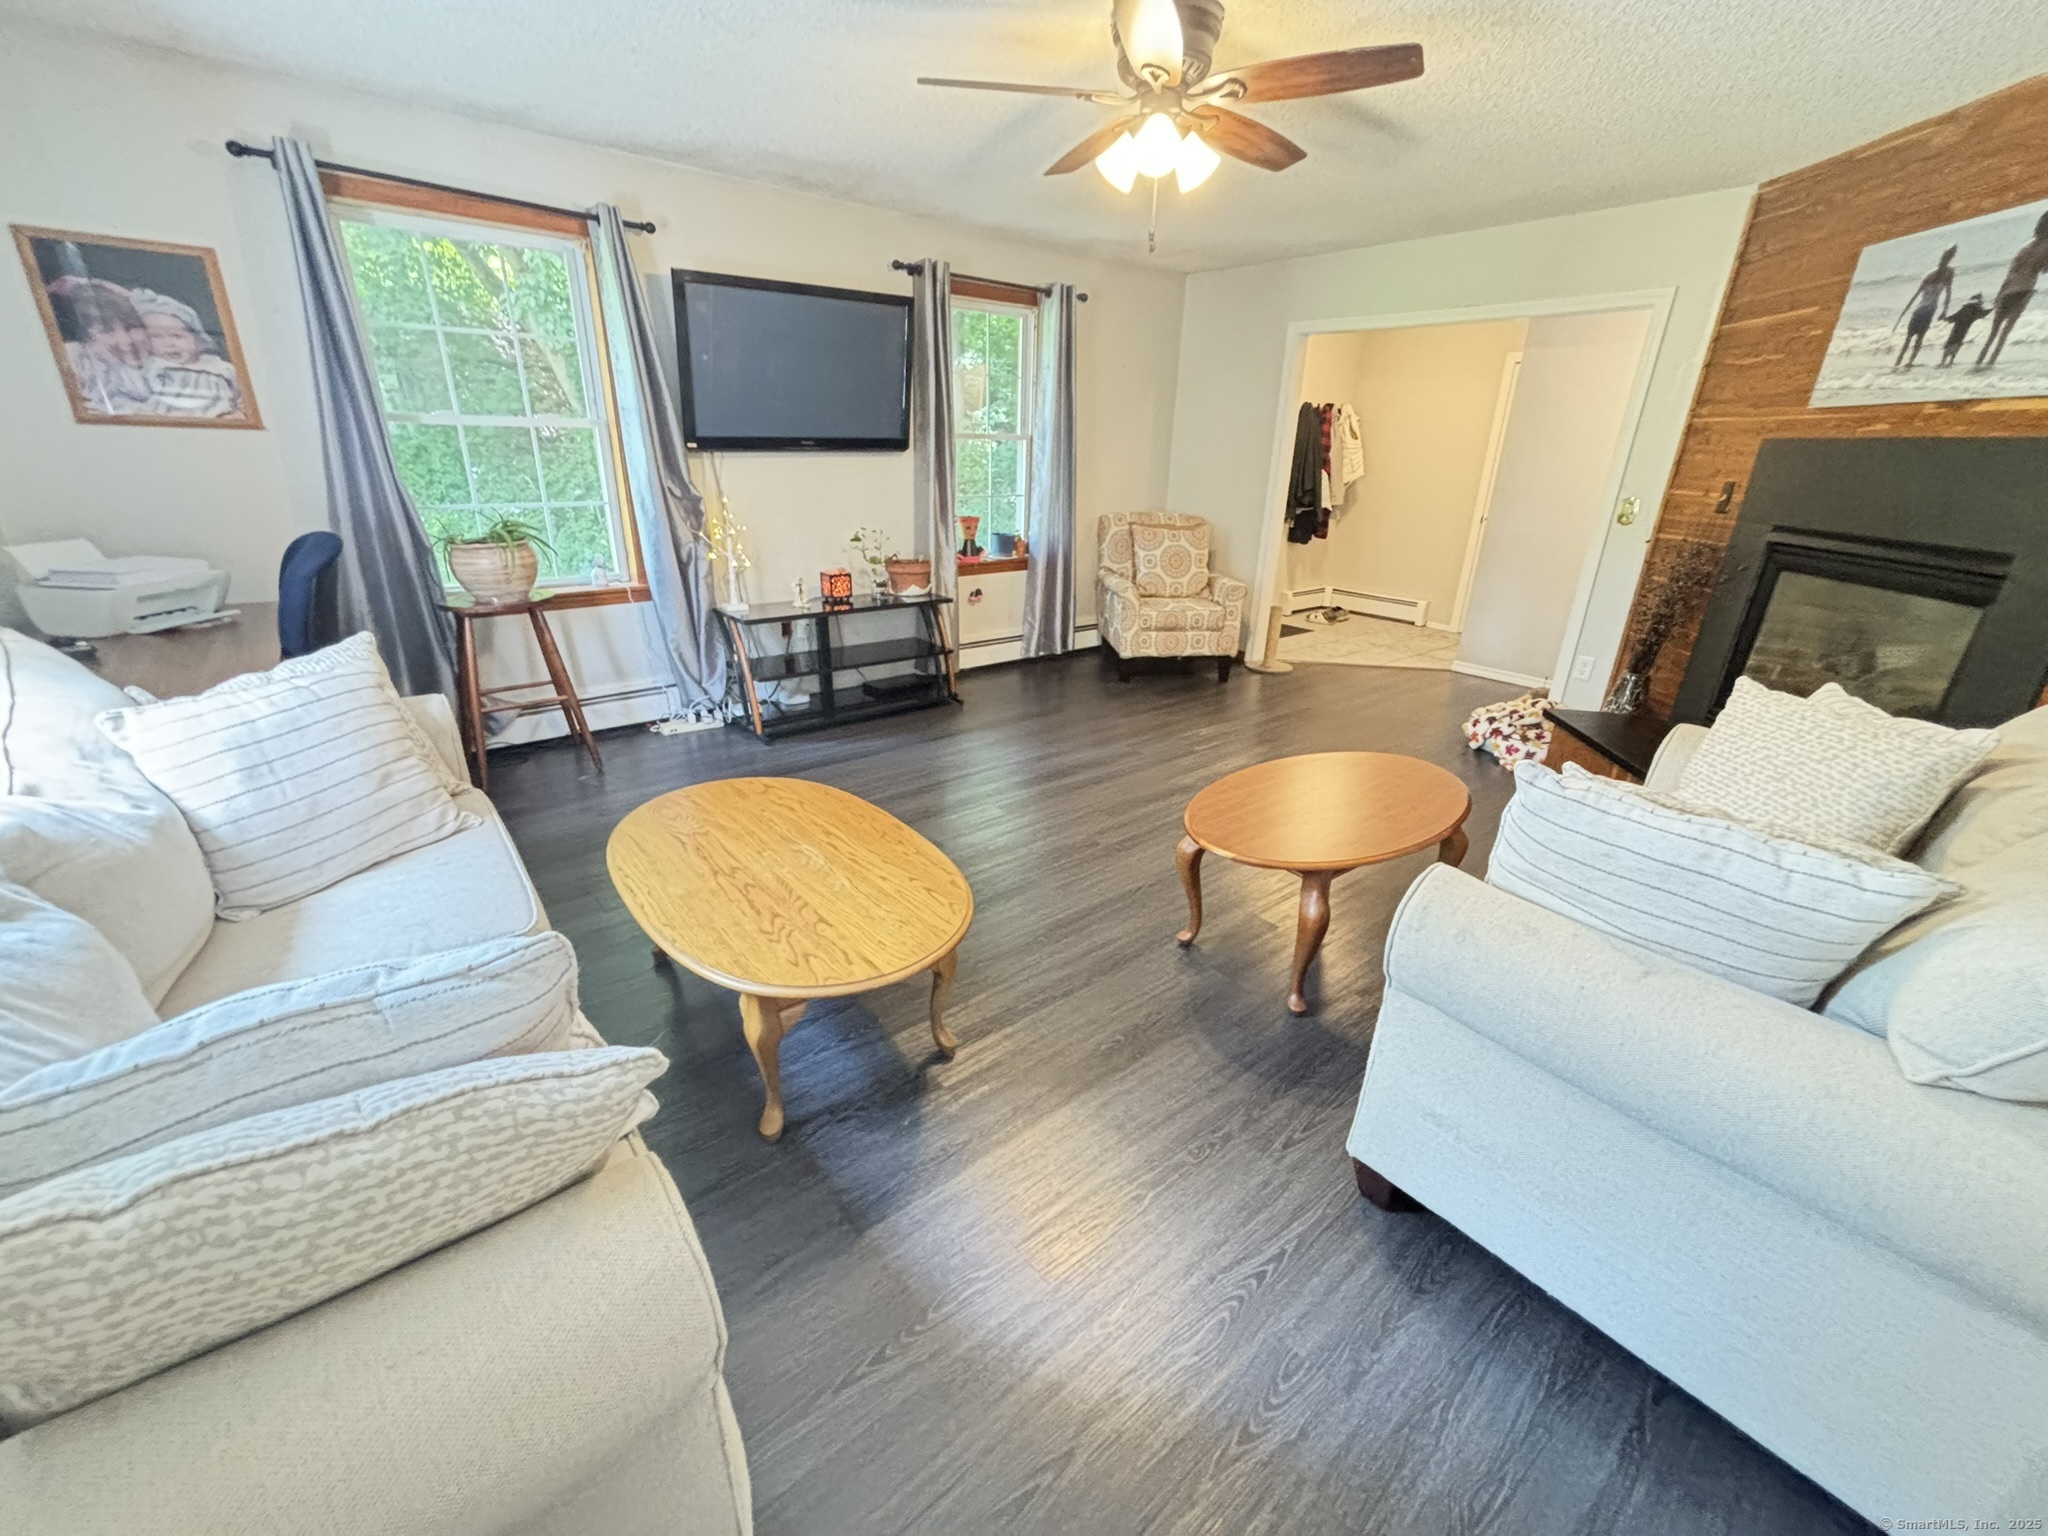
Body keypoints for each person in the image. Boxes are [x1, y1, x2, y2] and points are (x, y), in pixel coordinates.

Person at [45, 276, 154, 414]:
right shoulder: (72, 358)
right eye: (107, 331)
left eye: (131, 327)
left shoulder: (162, 359)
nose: (125, 340)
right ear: (86, 334)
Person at [129, 287, 243, 418]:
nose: (169, 344)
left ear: (196, 339)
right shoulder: (148, 369)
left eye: (177, 336)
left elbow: (244, 399)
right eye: (156, 336)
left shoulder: (220, 369)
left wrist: (239, 415)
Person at [1976, 209, 2048, 368]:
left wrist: (1999, 293)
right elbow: (2043, 270)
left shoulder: (2025, 247)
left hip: (2008, 288)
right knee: (2004, 333)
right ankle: (1990, 364)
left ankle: (1978, 364)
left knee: (1992, 334)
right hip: (2025, 289)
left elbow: (2011, 271)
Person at [1893, 245, 1956, 368]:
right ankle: (1908, 362)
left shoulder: (1932, 275)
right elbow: (1948, 293)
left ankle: (1899, 363)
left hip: (1920, 311)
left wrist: (1904, 312)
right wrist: (1944, 310)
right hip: (1927, 312)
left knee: (1909, 339)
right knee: (1918, 339)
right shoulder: (1947, 274)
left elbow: (1916, 296)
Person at [1938, 293, 1991, 366]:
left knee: (1951, 341)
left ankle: (1943, 361)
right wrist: (1994, 308)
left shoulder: (1965, 308)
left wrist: (1945, 319)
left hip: (1957, 327)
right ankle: (1950, 361)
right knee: (1957, 342)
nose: (1982, 303)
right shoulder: (1977, 309)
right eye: (1981, 301)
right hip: (1964, 328)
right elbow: (1982, 314)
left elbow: (1954, 317)